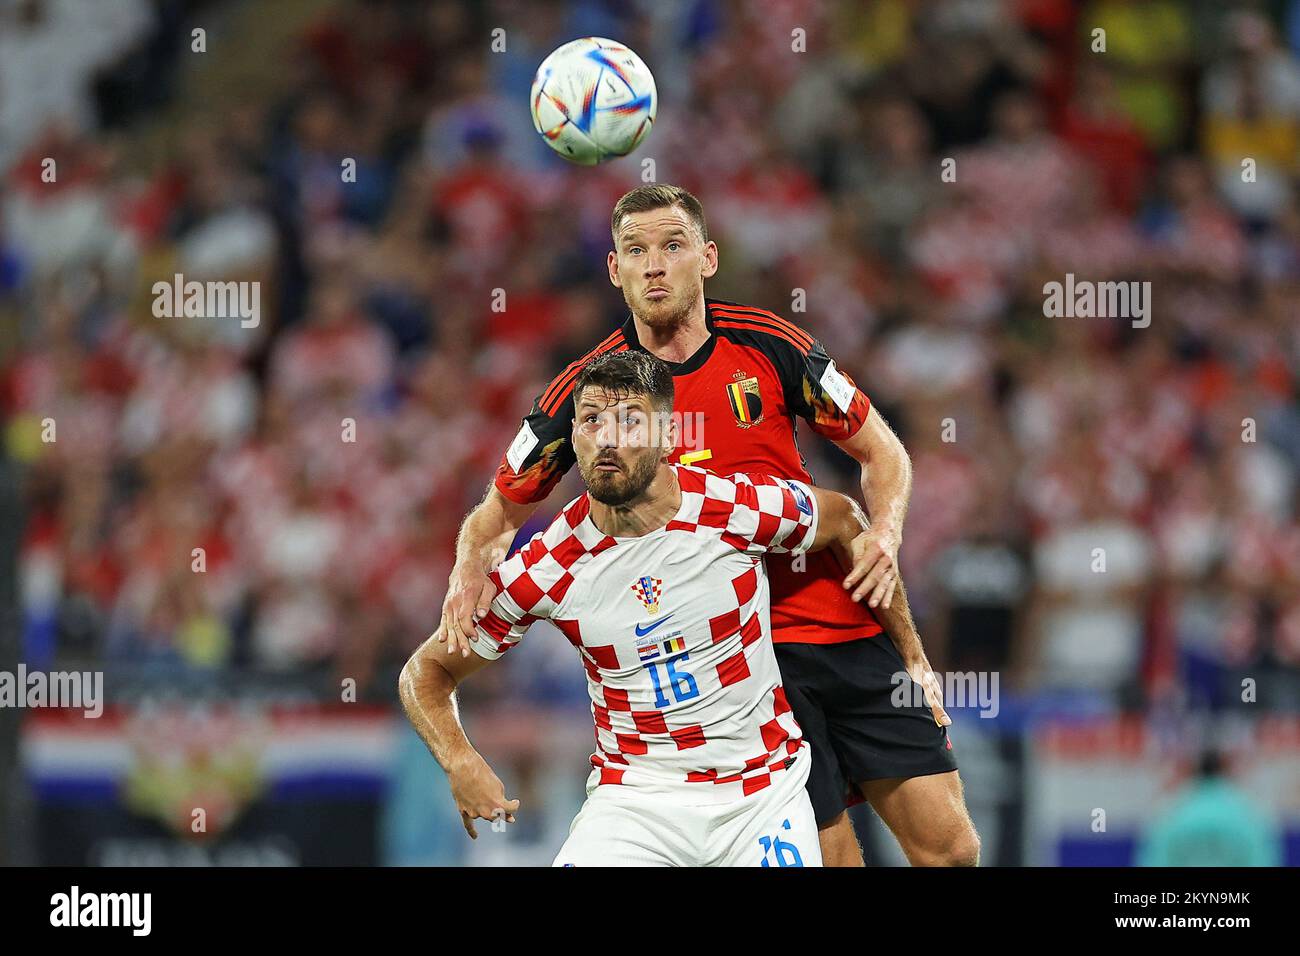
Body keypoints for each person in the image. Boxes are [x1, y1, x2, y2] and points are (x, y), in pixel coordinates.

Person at [437, 184, 979, 866]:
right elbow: (496, 513)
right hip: (749, 666)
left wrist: (888, 533)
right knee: (836, 859)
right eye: (636, 250)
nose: (655, 265)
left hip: (841, 621)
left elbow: (882, 452)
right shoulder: (592, 392)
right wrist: (465, 570)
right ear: (615, 270)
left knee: (952, 851)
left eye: (672, 246)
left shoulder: (771, 345)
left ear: (708, 258)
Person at [400, 350, 884, 866]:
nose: (608, 438)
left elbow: (845, 519)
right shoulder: (551, 565)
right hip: (635, 806)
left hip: (761, 797)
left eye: (630, 420)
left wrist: (897, 654)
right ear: (574, 440)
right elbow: (425, 673)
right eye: (590, 421)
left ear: (669, 435)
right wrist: (459, 761)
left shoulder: (734, 509)